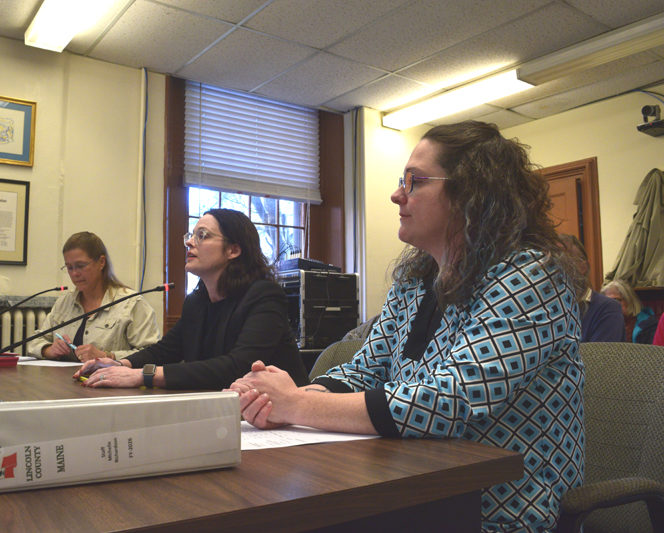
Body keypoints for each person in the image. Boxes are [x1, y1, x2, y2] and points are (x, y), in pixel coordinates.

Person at [230, 121, 585, 533]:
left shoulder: (529, 275)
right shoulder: (416, 279)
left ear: (473, 193)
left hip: (497, 507)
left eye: (414, 182)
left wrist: (298, 404)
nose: (397, 194)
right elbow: (364, 369)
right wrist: (276, 398)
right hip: (411, 486)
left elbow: (449, 401)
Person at [74, 208, 309, 390]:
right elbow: (165, 351)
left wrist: (144, 375)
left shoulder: (265, 296)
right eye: (191, 235)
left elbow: (238, 366)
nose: (189, 242)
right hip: (225, 410)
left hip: (285, 419)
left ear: (233, 250)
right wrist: (120, 365)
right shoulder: (197, 302)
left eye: (202, 236)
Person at [27, 231, 161, 361]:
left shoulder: (131, 303)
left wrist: (107, 356)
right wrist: (48, 349)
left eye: (80, 266)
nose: (74, 273)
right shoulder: (64, 302)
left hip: (110, 381)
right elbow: (34, 342)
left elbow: (152, 354)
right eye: (69, 267)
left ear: (101, 262)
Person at [559, 234, 624, 342]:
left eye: (563, 262)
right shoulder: (548, 308)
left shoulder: (607, 308)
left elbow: (600, 356)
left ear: (583, 267)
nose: (555, 270)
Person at [601, 279, 658, 344]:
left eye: (616, 300)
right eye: (607, 302)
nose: (611, 306)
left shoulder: (648, 325)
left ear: (629, 300)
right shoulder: (602, 325)